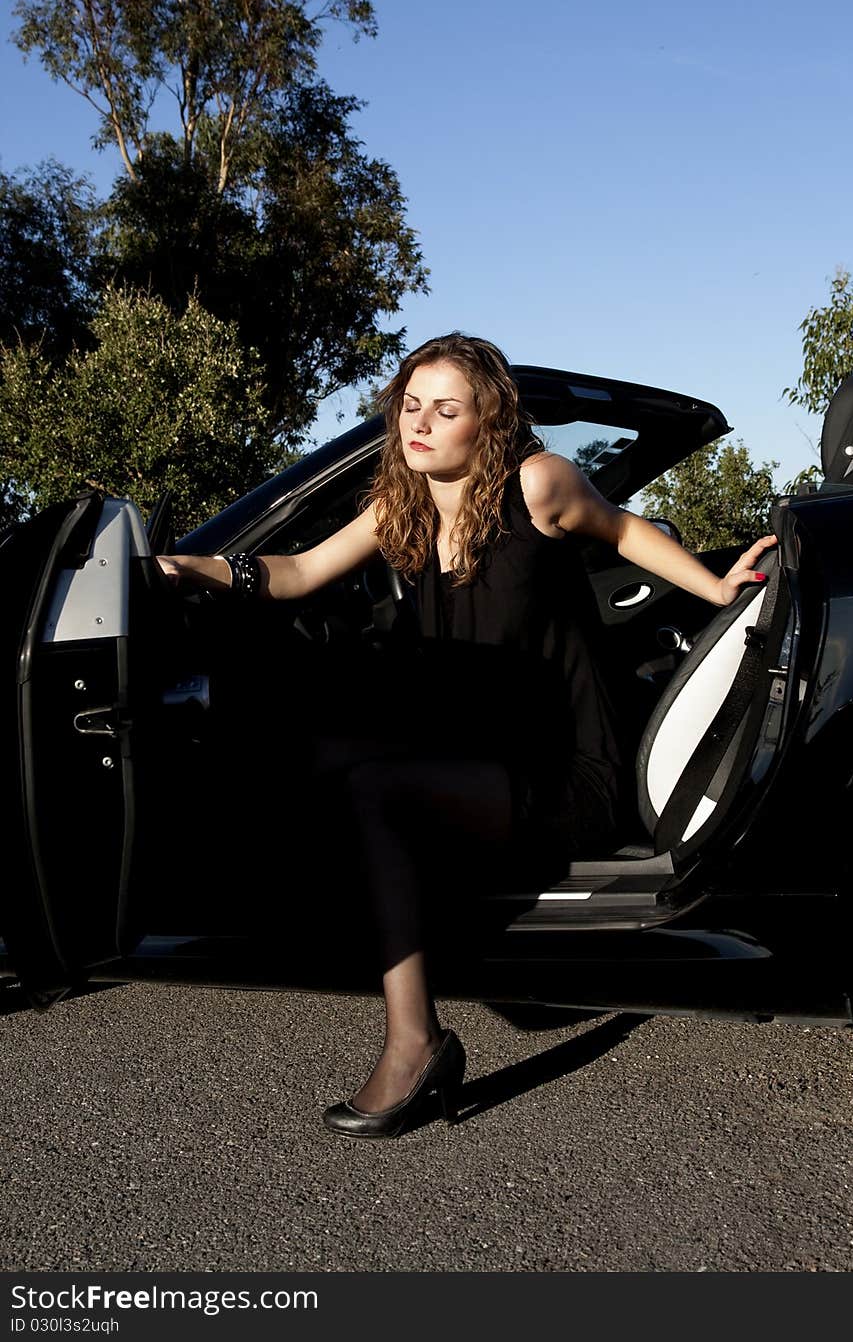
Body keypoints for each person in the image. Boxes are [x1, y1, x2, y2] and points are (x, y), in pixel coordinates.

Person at [158, 332, 776, 1140]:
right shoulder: (400, 507)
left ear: (488, 422)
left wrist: (717, 586)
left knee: (375, 789)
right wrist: (187, 567)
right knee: (315, 754)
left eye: (446, 409)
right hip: (473, 751)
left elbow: (624, 531)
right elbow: (301, 573)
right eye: (411, 405)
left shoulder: (539, 485)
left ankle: (417, 1043)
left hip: (564, 771)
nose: (420, 423)